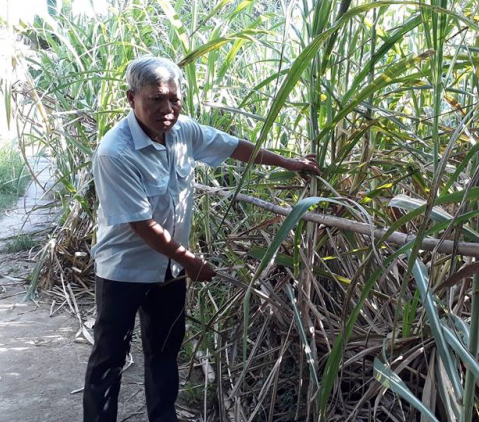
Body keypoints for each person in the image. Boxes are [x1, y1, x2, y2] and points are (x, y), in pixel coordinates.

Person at [82, 56, 320, 422]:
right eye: (156, 99)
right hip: (123, 271)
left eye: (174, 99)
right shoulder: (115, 152)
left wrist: (289, 163)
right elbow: (142, 225)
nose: (167, 109)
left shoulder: (182, 132)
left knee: (164, 351)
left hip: (169, 270)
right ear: (131, 99)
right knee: (109, 357)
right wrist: (190, 260)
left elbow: (234, 146)